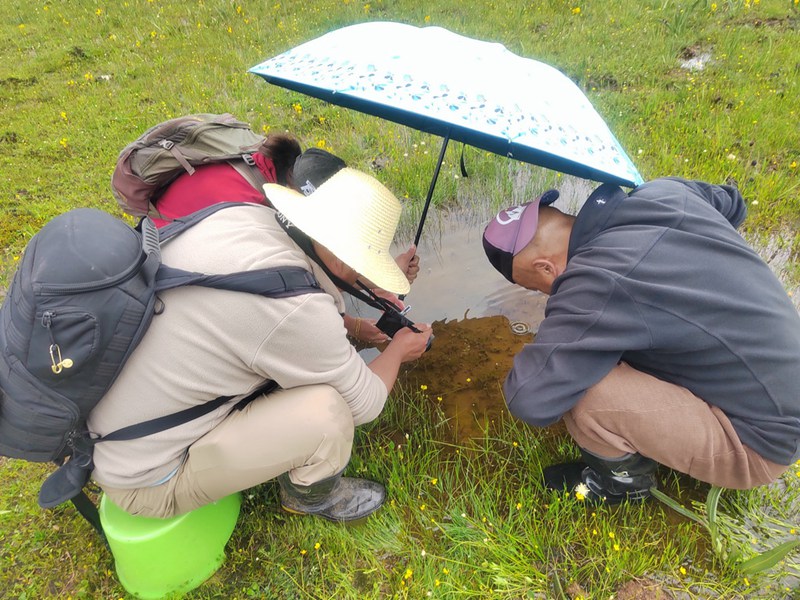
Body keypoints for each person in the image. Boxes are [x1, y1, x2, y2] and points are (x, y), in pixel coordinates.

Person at [87, 168, 433, 521]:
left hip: (106, 425)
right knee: (329, 413)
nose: (366, 278)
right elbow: (366, 402)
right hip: (146, 482)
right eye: (365, 266)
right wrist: (399, 349)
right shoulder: (298, 311)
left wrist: (356, 324)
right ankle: (310, 497)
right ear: (344, 258)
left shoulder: (248, 216)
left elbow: (271, 306)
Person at [482, 178, 800, 503]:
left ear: (546, 268)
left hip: (760, 443)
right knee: (605, 345)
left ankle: (622, 484)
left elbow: (531, 398)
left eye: (536, 288)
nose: (544, 293)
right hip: (781, 393)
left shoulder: (595, 281)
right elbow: (732, 203)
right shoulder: (664, 193)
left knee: (582, 391)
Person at [151, 140, 419, 345]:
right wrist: (352, 325)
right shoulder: (258, 216)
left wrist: (377, 282)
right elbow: (295, 290)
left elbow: (326, 262)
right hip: (169, 281)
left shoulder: (275, 175)